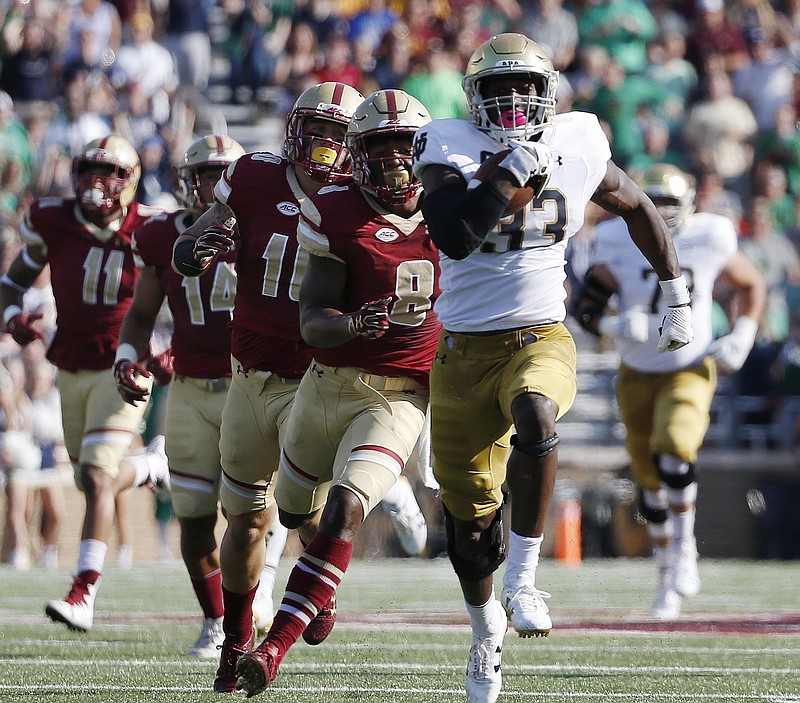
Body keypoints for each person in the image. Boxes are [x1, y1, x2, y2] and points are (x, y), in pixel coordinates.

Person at [410, 33, 694, 703]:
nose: (512, 101)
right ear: (472, 98)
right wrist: (508, 172)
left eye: (525, 88)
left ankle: (526, 577)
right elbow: (453, 232)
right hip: (461, 352)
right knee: (469, 526)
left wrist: (674, 288)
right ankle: (485, 634)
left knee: (538, 411)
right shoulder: (445, 143)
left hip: (540, 333)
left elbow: (635, 204)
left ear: (550, 93)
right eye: (496, 89)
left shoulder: (579, 140)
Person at [233, 88, 438, 697]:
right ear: (358, 152)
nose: (397, 162)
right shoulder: (337, 210)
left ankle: (272, 650)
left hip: (399, 393)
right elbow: (311, 319)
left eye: (407, 147)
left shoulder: (454, 211)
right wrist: (353, 323)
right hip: (326, 384)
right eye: (381, 147)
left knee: (346, 508)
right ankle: (318, 591)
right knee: (298, 512)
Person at [170, 81, 366, 693]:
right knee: (245, 521)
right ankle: (235, 642)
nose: (326, 145)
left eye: (339, 135)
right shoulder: (253, 178)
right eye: (318, 130)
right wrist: (195, 250)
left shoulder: (362, 198)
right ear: (294, 130)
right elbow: (187, 245)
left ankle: (313, 589)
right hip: (249, 375)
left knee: (303, 509)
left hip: (317, 377)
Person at [573, 164, 766, 619]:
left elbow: (751, 283)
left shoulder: (709, 236)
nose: (660, 212)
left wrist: (742, 332)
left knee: (675, 448)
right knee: (649, 484)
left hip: (689, 367)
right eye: (652, 201)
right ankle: (665, 573)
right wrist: (611, 323)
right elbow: (585, 305)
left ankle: (685, 548)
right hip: (637, 373)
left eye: (669, 204)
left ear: (690, 206)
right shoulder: (617, 238)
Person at [0, 134, 169, 632]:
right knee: (87, 477)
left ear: (131, 179)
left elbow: (186, 284)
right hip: (70, 362)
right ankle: (148, 466)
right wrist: (12, 314)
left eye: (110, 173)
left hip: (124, 363)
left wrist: (172, 348)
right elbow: (14, 279)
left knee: (96, 476)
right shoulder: (53, 218)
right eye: (90, 171)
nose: (97, 183)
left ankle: (83, 591)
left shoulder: (152, 227)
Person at [114, 134, 246, 658]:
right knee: (194, 516)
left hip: (248, 387)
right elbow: (142, 314)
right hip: (190, 389)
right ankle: (217, 620)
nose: (212, 186)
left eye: (222, 175)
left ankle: (250, 608)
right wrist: (129, 355)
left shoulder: (261, 228)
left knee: (251, 514)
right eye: (203, 175)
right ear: (186, 182)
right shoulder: (160, 235)